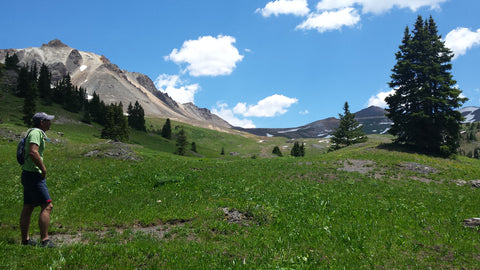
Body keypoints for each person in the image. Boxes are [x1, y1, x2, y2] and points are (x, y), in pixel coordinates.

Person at [19, 112, 56, 248]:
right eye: (48, 121)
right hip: (34, 175)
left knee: (28, 207)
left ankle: (25, 240)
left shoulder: (32, 132)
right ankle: (45, 241)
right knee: (47, 206)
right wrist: (43, 168)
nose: (50, 123)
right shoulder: (36, 133)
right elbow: (33, 151)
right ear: (42, 122)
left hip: (27, 174)